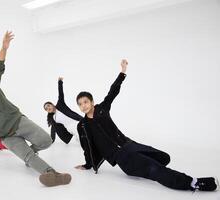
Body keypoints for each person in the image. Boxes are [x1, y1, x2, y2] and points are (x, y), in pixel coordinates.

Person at [75, 59, 218, 191]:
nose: (83, 106)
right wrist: (88, 164)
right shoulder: (83, 125)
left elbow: (113, 91)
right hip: (121, 158)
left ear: (92, 102)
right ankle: (193, 183)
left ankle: (149, 170)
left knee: (163, 158)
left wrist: (122, 72)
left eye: (86, 102)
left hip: (130, 145)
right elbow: (87, 146)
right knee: (154, 169)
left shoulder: (102, 108)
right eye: (80, 104)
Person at [0, 31, 71, 187]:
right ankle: (53, 175)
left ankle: (31, 153)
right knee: (28, 157)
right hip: (6, 137)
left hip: (18, 122)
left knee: (46, 140)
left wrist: (4, 47)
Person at [44, 77, 83, 144]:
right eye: (46, 109)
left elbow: (60, 94)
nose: (48, 108)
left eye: (48, 106)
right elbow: (53, 130)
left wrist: (60, 82)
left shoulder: (60, 105)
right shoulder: (53, 118)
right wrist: (52, 140)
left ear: (52, 104)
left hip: (78, 122)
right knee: (84, 140)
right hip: (71, 128)